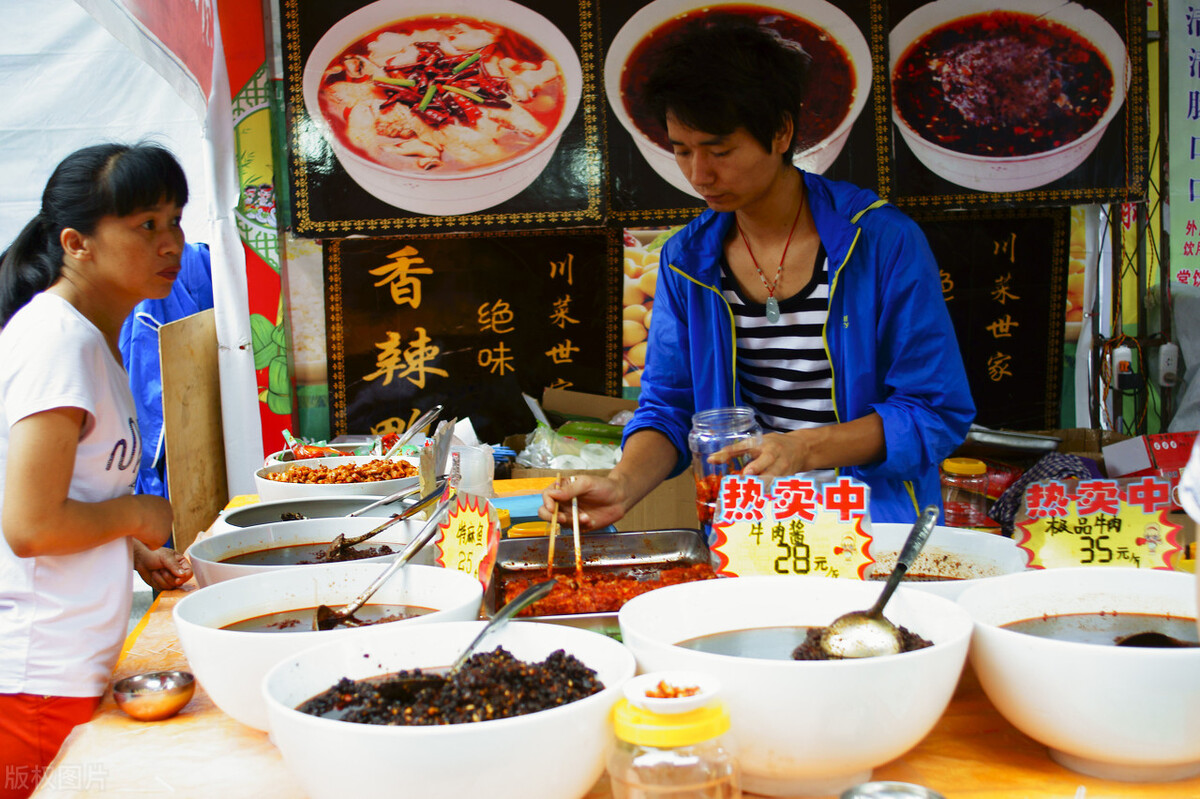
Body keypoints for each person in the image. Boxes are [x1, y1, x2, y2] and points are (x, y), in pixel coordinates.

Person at [542, 19, 974, 532]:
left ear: (781, 132)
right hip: (749, 529)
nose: (699, 174)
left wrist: (804, 448)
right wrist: (621, 486)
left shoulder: (881, 242)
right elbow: (670, 408)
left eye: (720, 151)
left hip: (874, 528)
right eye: (682, 150)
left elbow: (933, 412)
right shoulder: (686, 259)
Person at [0, 142, 193, 798]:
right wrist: (139, 514)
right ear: (77, 243)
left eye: (175, 220)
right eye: (146, 224)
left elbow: (70, 489)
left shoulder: (90, 336)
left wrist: (130, 549)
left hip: (64, 667)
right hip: (34, 680)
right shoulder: (59, 342)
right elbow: (31, 525)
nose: (170, 242)